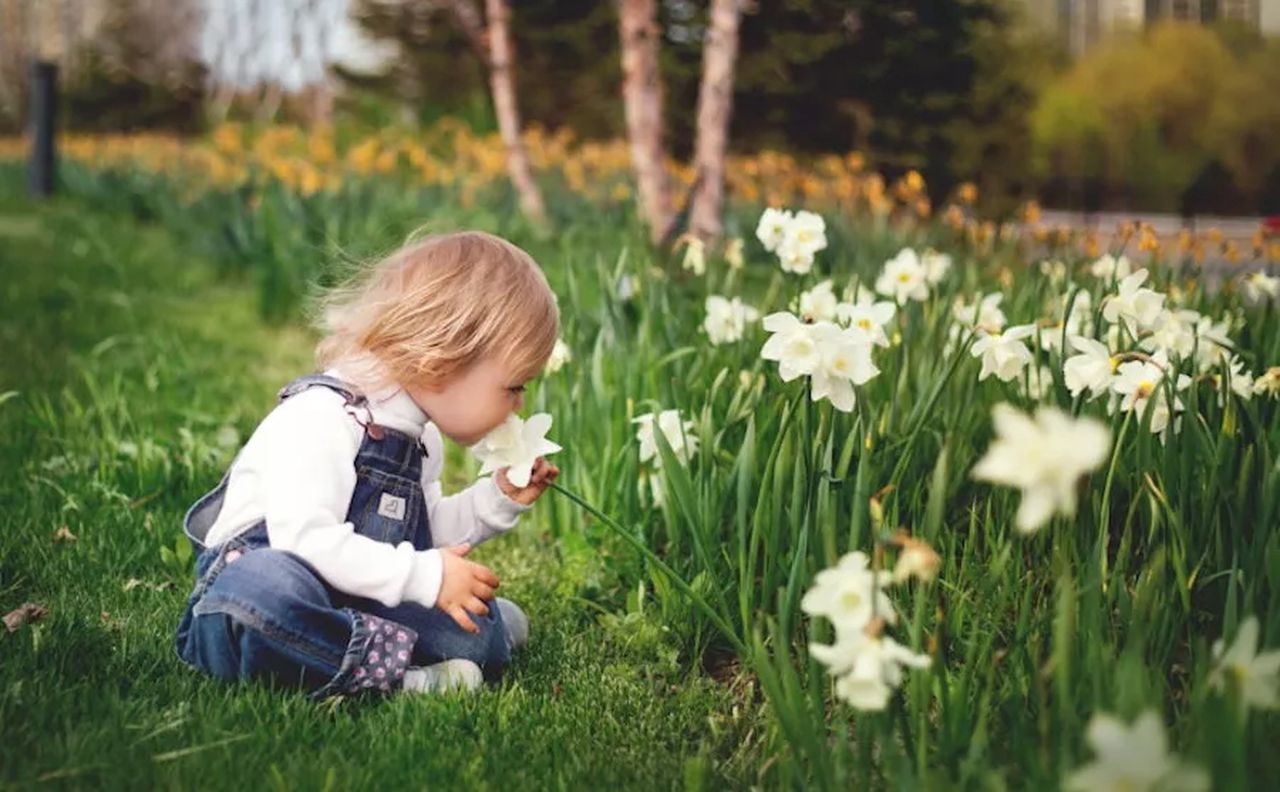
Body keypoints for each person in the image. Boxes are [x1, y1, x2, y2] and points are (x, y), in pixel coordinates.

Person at [174, 230, 561, 698]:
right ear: (441, 360)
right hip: (264, 594)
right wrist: (425, 577)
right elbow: (306, 541)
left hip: (351, 595)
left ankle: (459, 636)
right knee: (263, 594)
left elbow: (422, 533)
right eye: (513, 386)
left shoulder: (421, 437)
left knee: (478, 633)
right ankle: (400, 680)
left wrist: (496, 499)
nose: (518, 405)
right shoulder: (323, 417)